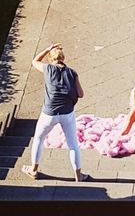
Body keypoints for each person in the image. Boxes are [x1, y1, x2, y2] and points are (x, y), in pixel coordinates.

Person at [22, 43, 88, 183]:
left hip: (49, 113)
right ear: (63, 58)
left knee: (38, 139)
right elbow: (81, 94)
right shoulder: (72, 73)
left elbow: (34, 61)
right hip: (67, 113)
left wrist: (47, 49)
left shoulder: (47, 69)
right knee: (73, 145)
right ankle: (78, 175)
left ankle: (34, 170)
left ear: (50, 58)